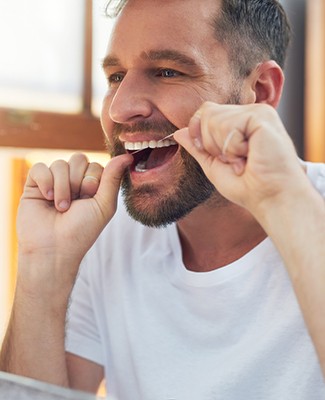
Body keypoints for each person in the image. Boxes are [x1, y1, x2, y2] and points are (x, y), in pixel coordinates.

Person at [0, 0, 324, 399]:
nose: (120, 109)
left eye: (167, 71)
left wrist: (283, 201)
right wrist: (43, 268)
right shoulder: (105, 235)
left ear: (259, 92)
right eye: (116, 76)